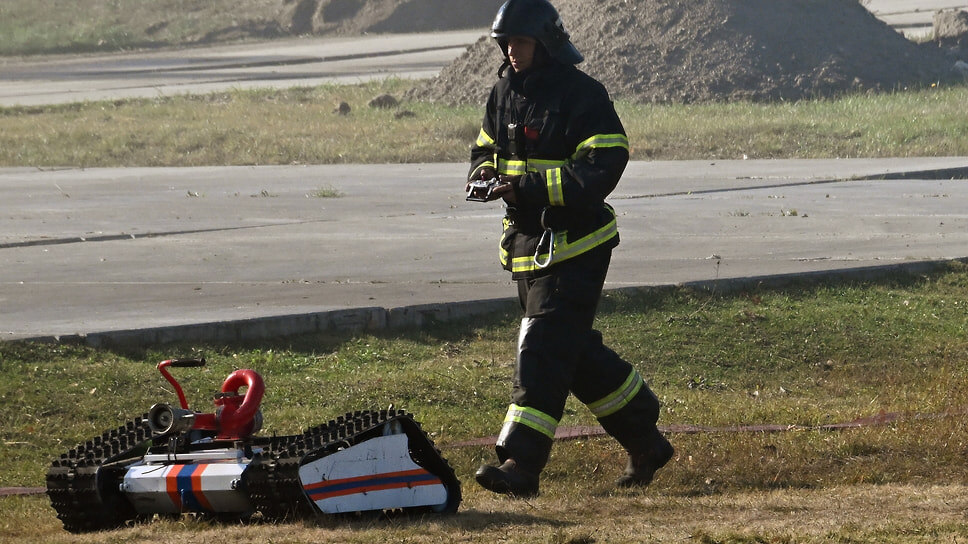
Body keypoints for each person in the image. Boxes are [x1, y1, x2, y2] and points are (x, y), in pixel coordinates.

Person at [466, 0, 674, 497]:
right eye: (507, 43)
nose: (512, 51)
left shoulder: (583, 95)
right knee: (571, 352)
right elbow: (484, 148)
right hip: (527, 246)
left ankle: (521, 464)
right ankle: (645, 439)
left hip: (576, 246)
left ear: (546, 43)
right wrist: (483, 175)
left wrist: (528, 188)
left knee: (540, 349)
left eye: (521, 41)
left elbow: (605, 162)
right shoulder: (503, 92)